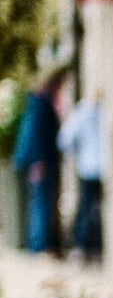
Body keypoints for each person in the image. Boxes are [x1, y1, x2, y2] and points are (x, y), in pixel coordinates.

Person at [11, 69, 63, 255]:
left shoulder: (37, 103)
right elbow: (37, 135)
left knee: (40, 201)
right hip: (40, 161)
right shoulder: (41, 104)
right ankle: (39, 245)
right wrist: (38, 161)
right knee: (41, 202)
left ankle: (40, 244)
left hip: (39, 160)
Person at [58, 88, 106, 261]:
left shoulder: (81, 113)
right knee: (97, 207)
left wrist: (75, 154)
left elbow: (64, 140)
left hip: (88, 166)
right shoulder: (101, 112)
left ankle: (82, 245)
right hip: (103, 167)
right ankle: (95, 245)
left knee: (86, 206)